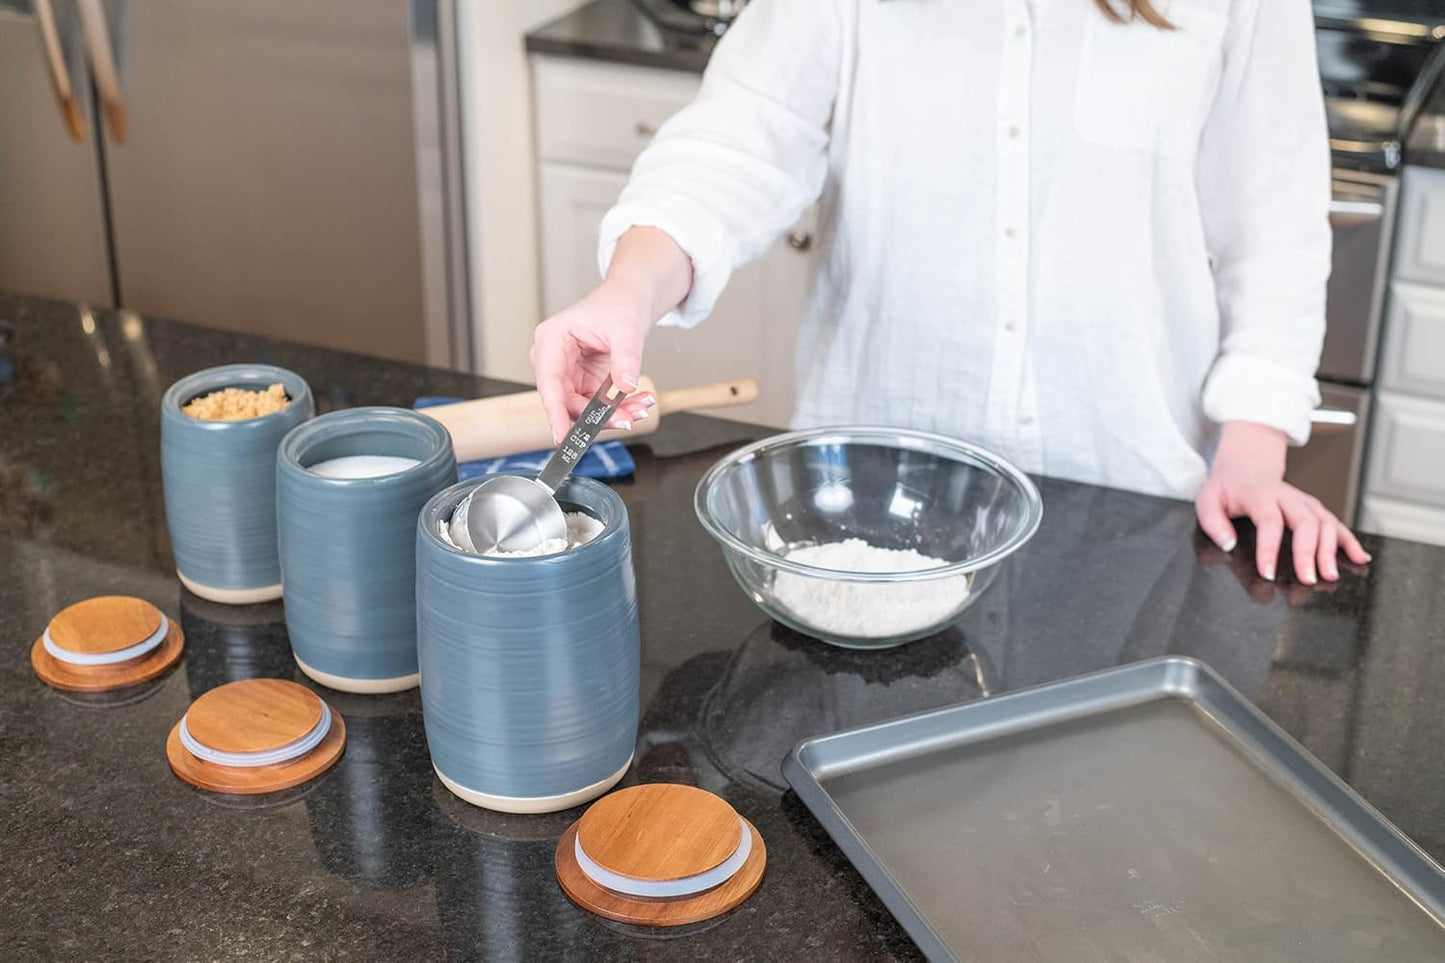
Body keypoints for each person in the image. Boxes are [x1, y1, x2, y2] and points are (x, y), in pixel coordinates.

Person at [530, 0, 1370, 585]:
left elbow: (1274, 219)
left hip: (1126, 506)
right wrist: (626, 293)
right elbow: (736, 146)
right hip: (868, 507)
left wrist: (1252, 452)